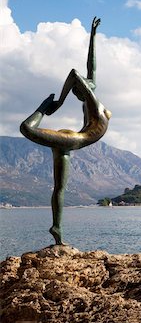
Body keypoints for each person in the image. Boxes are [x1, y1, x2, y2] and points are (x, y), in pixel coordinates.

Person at [20, 17, 111, 245]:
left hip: (73, 140)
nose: (91, 84)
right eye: (88, 85)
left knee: (60, 187)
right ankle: (42, 108)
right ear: (83, 91)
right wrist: (58, 102)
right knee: (26, 129)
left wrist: (93, 36)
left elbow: (92, 67)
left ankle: (57, 227)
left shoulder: (91, 102)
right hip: (72, 139)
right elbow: (74, 74)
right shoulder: (92, 102)